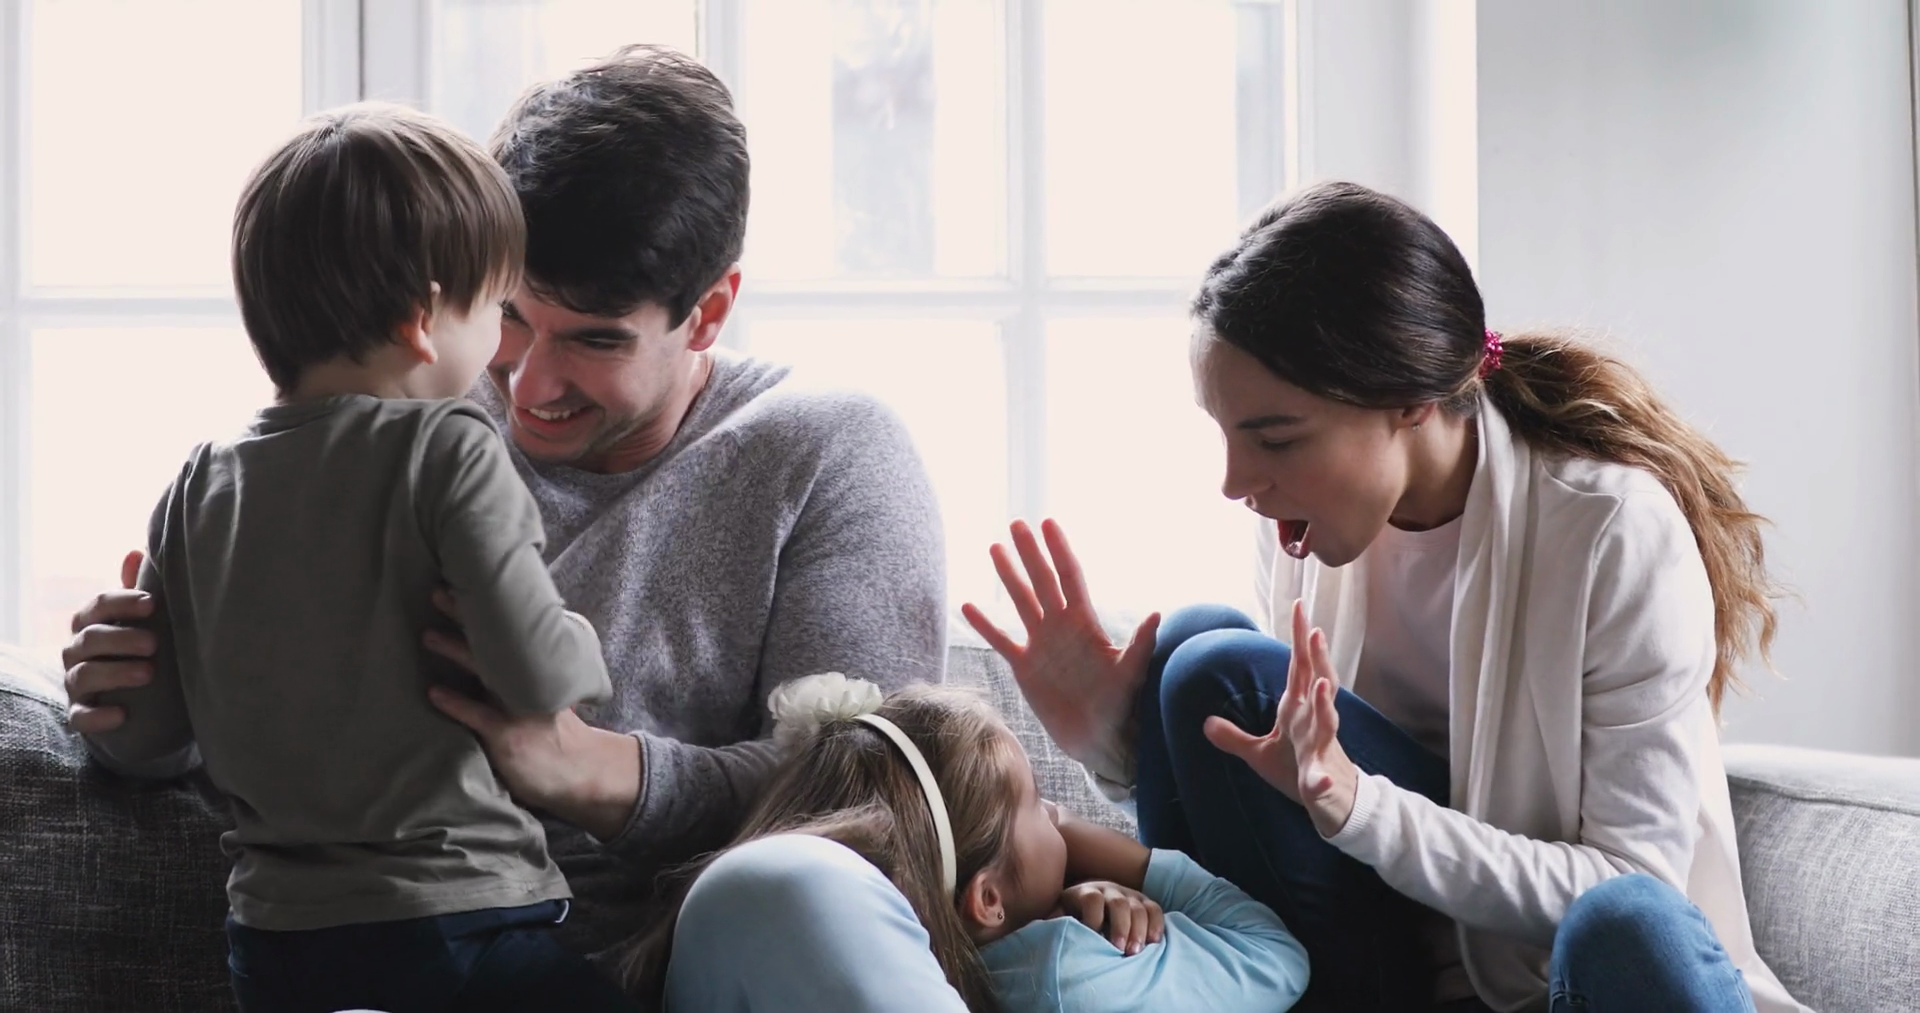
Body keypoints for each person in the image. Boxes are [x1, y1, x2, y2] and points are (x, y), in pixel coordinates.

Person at [59, 45, 946, 956]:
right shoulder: (394, 417)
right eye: (509, 316)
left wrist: (595, 771)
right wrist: (143, 696)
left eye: (596, 340)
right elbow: (270, 718)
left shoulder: (826, 450)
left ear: (710, 312)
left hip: (704, 956)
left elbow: (879, 797)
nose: (528, 384)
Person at [963, 181, 1808, 1013]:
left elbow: (1632, 889)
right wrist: (1126, 749)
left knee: (1628, 924)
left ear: (1409, 400)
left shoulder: (1612, 530)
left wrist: (1358, 804)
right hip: (1398, 978)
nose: (1235, 481)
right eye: (1224, 434)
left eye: (1275, 438)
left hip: (1570, 984)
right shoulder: (1300, 528)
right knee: (1199, 660)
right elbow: (1260, 857)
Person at [80, 103, 637, 1012]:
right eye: (495, 310)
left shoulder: (200, 479)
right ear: (424, 321)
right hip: (452, 918)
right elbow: (535, 675)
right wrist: (577, 638)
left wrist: (106, 687)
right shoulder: (448, 446)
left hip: (273, 945)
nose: (504, 347)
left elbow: (146, 732)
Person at [621, 675, 1310, 1012]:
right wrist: (1102, 853)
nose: (1060, 815)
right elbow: (1273, 954)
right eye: (1040, 803)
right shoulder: (1068, 968)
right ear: (986, 898)